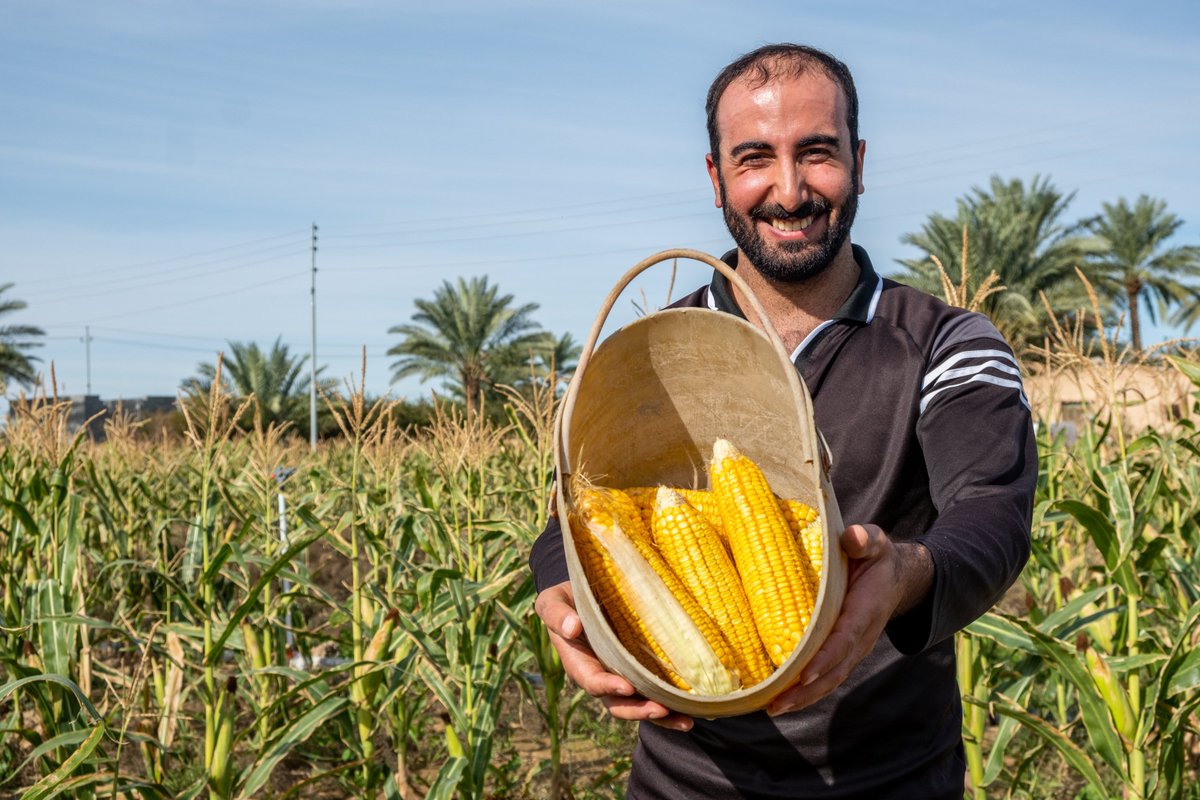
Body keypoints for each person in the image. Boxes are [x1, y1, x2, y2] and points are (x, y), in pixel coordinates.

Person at [530, 43, 1037, 798]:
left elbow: (992, 513)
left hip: (890, 779)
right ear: (716, 179)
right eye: (755, 158)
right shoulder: (651, 359)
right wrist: (560, 591)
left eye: (818, 153)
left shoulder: (946, 343)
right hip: (684, 780)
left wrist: (904, 571)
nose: (790, 190)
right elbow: (575, 515)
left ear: (859, 163)